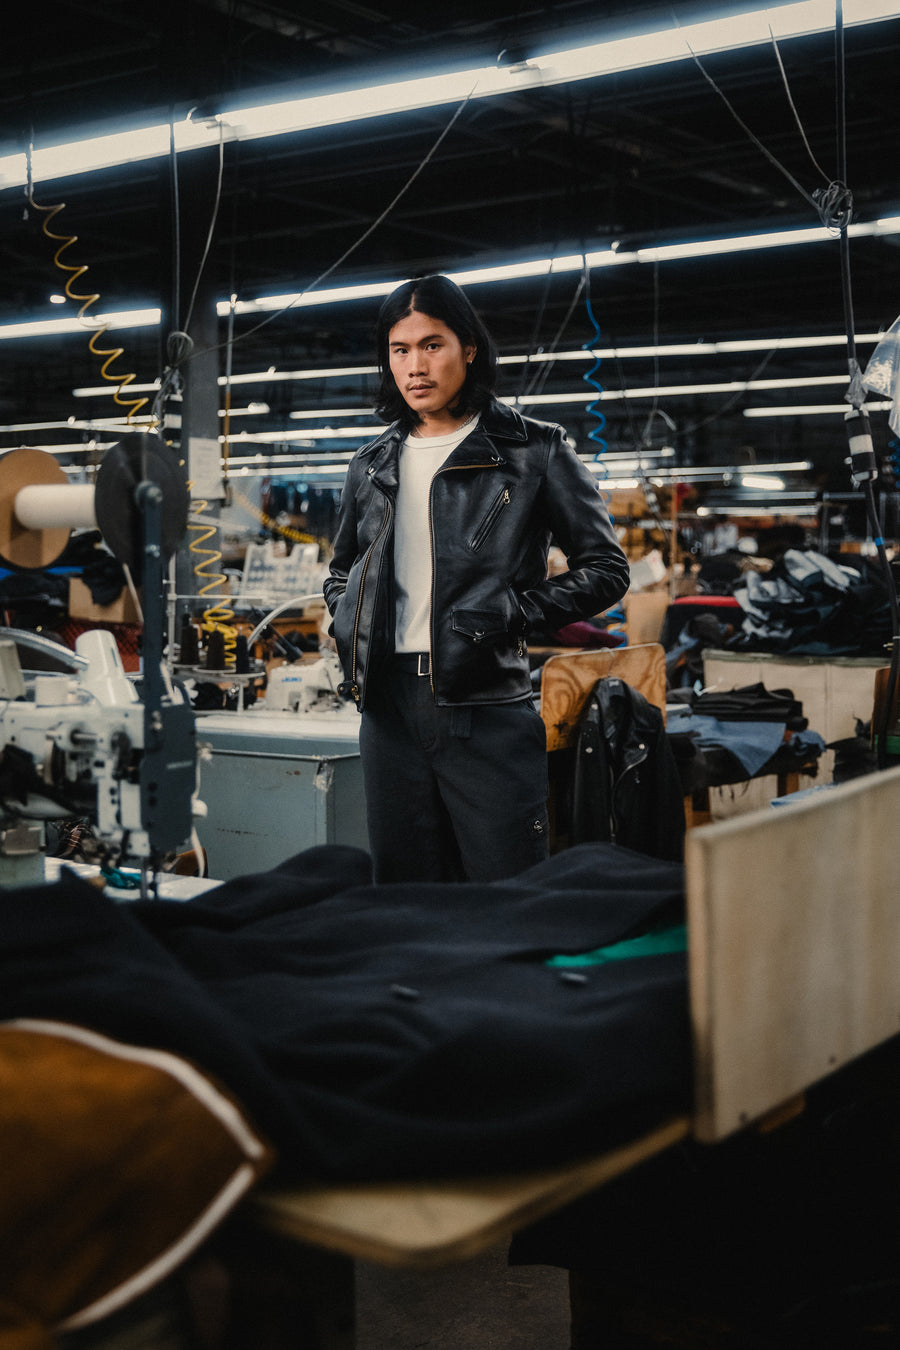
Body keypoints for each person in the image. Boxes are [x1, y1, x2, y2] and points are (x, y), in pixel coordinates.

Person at [323, 274, 630, 883]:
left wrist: (513, 614)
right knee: (408, 894)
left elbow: (606, 569)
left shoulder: (534, 451)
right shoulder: (372, 462)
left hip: (484, 703)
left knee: (506, 888)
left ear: (469, 348)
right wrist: (346, 614)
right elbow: (340, 570)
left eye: (432, 345)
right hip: (387, 709)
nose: (415, 365)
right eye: (400, 349)